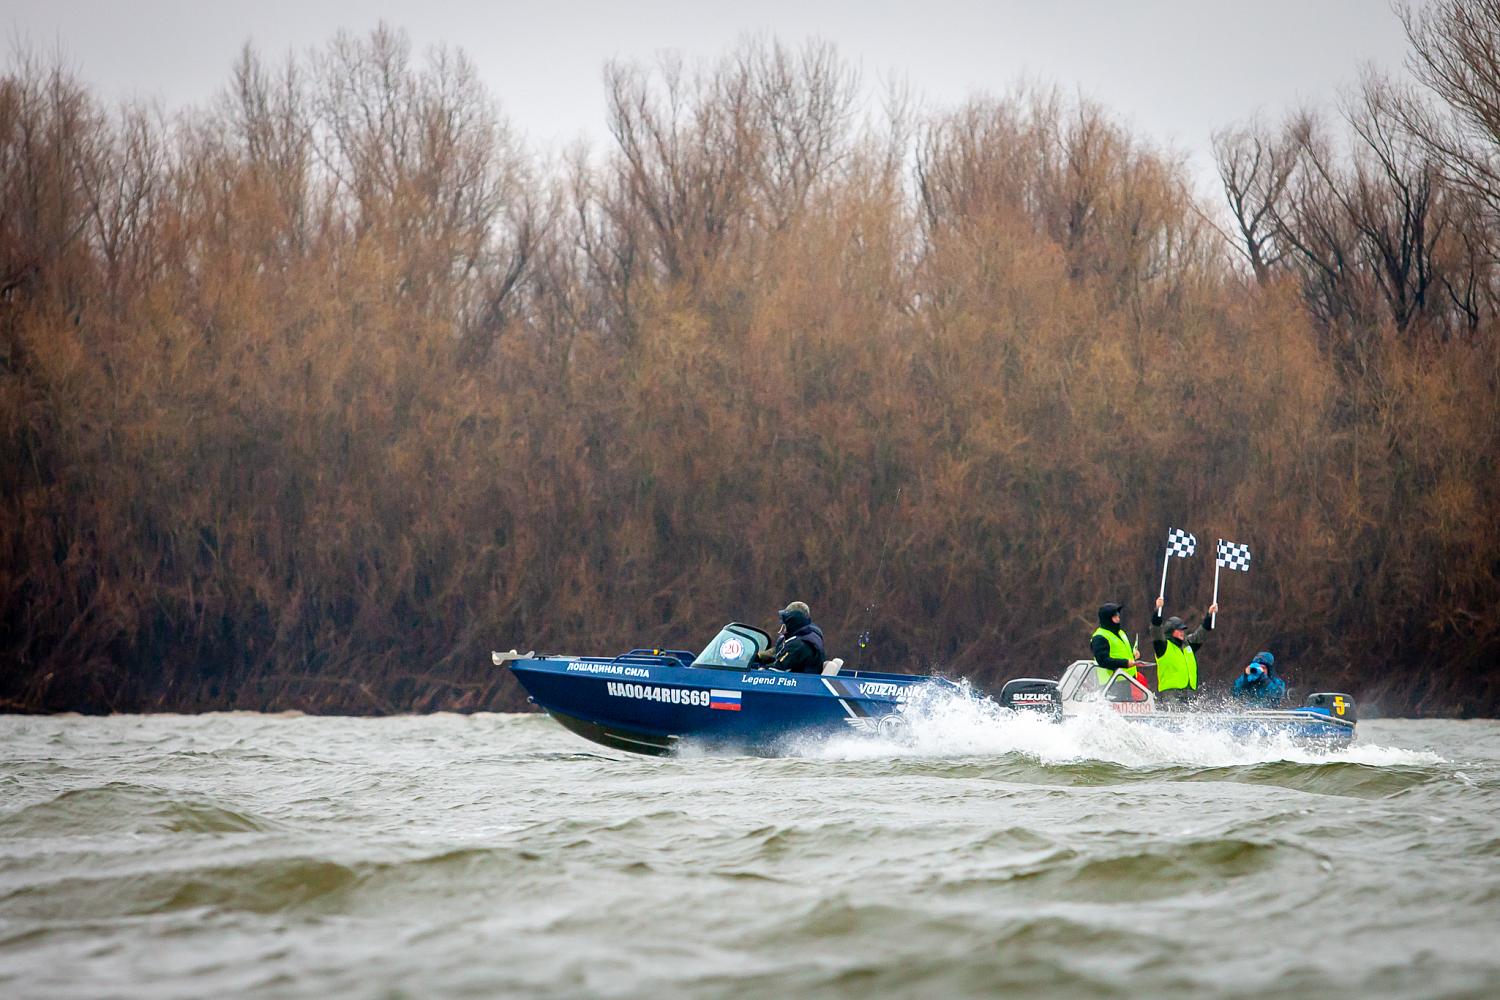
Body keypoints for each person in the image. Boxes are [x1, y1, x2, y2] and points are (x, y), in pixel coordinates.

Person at [1151, 596, 1216, 708]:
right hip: (1171, 693)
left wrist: (1209, 616)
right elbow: (1155, 629)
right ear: (1171, 631)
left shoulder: (1187, 644)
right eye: (1179, 630)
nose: (1182, 632)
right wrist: (1157, 610)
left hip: (1189, 691)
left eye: (1183, 630)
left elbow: (1201, 634)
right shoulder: (1162, 646)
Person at [1090, 602, 1150, 695]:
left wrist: (1133, 654)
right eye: (1115, 617)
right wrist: (1126, 663)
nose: (1118, 619)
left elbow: (1120, 652)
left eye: (1118, 616)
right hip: (1112, 684)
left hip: (1128, 680)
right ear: (1107, 619)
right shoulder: (1099, 637)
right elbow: (1103, 661)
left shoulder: (1121, 633)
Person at [752, 601, 828, 674]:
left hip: (800, 684)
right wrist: (758, 656)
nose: (782, 623)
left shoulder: (800, 644)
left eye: (785, 621)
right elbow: (779, 650)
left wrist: (759, 668)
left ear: (792, 621)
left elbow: (778, 668)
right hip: (801, 681)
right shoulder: (805, 634)